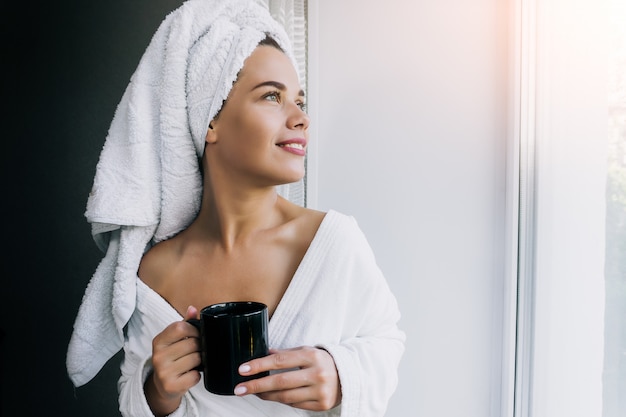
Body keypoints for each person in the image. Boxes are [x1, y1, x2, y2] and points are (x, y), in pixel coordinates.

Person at [66, 1, 405, 416]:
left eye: (299, 100)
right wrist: (158, 391)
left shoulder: (332, 244)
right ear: (210, 120)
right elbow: (131, 394)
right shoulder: (154, 273)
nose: (300, 118)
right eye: (271, 97)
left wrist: (342, 376)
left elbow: (386, 340)